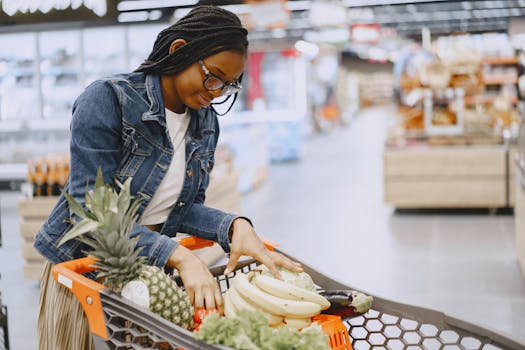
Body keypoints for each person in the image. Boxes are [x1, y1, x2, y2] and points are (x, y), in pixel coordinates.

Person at [34, 6, 302, 350]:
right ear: (179, 51)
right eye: (213, 76)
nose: (217, 92)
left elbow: (183, 209)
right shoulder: (109, 100)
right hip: (82, 270)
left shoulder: (205, 122)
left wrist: (235, 225)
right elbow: (89, 212)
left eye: (228, 84)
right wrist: (180, 256)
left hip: (149, 273)